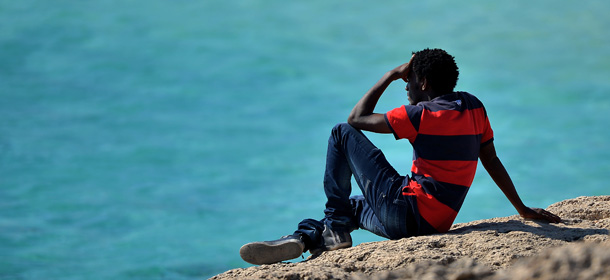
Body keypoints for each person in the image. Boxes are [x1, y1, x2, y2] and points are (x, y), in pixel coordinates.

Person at [239, 48, 561, 265]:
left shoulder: (422, 115)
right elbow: (491, 160)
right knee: (350, 206)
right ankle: (303, 237)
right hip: (430, 224)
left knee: (340, 133)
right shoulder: (474, 108)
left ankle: (332, 231)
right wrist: (521, 209)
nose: (405, 87)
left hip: (405, 211)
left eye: (408, 81)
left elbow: (356, 119)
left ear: (422, 81)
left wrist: (392, 72)